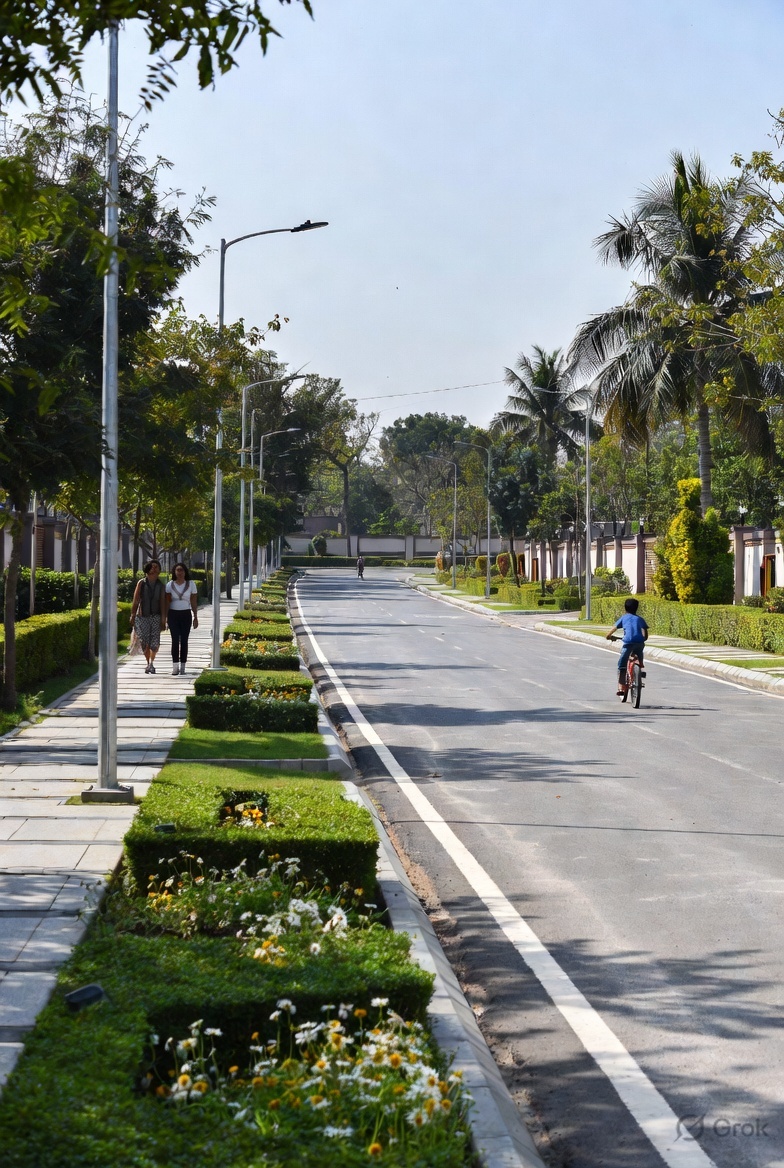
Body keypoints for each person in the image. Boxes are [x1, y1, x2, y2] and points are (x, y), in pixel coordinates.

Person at [606, 597, 649, 695]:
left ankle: (621, 687)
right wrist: (642, 639)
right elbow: (645, 635)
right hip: (640, 643)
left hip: (628, 643)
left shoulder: (624, 618)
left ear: (625, 608)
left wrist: (609, 636)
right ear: (636, 608)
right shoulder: (640, 619)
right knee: (639, 655)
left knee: (622, 664)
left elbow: (613, 629)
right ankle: (640, 669)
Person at [130, 560, 166, 674]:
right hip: (142, 616)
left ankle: (152, 663)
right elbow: (136, 600)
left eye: (156, 567)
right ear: (147, 569)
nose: (154, 569)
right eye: (152, 567)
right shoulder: (141, 583)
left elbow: (162, 603)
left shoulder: (161, 585)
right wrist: (132, 615)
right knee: (144, 641)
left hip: (156, 616)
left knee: (155, 642)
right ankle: (147, 663)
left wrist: (163, 619)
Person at [165, 562, 199, 675]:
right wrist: (165, 618)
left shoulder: (191, 584)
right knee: (175, 640)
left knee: (184, 640)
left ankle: (183, 666)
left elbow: (193, 600)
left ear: (185, 572)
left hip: (186, 614)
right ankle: (175, 666)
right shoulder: (170, 585)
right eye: (178, 570)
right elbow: (167, 602)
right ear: (174, 572)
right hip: (173, 615)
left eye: (182, 570)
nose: (180, 573)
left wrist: (195, 616)